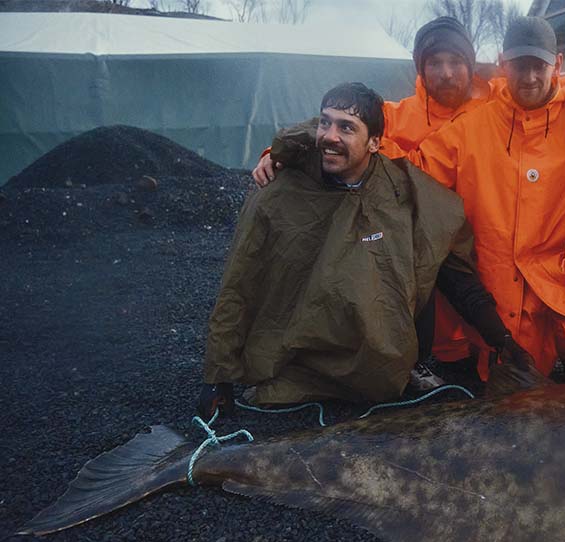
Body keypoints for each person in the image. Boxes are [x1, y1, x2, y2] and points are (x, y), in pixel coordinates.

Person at [251, 16, 565, 387]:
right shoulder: (412, 116)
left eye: (456, 63)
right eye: (435, 63)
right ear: (420, 68)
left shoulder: (506, 101)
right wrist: (282, 149)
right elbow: (343, 123)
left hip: (516, 266)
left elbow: (556, 88)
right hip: (448, 251)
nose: (447, 73)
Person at [197, 82, 530, 418]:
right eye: (325, 122)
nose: (330, 136)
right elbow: (239, 284)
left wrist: (500, 340)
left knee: (427, 253)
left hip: (382, 360)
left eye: (346, 128)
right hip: (302, 355)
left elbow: (455, 275)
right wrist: (218, 377)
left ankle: (405, 366)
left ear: (374, 143)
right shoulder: (280, 191)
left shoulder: (404, 192)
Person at [405, 17, 565, 377]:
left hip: (562, 291)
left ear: (558, 66)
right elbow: (409, 170)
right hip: (493, 296)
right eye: (519, 66)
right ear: (503, 63)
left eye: (539, 66)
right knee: (508, 384)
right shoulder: (471, 127)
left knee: (553, 385)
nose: (529, 77)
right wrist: (323, 150)